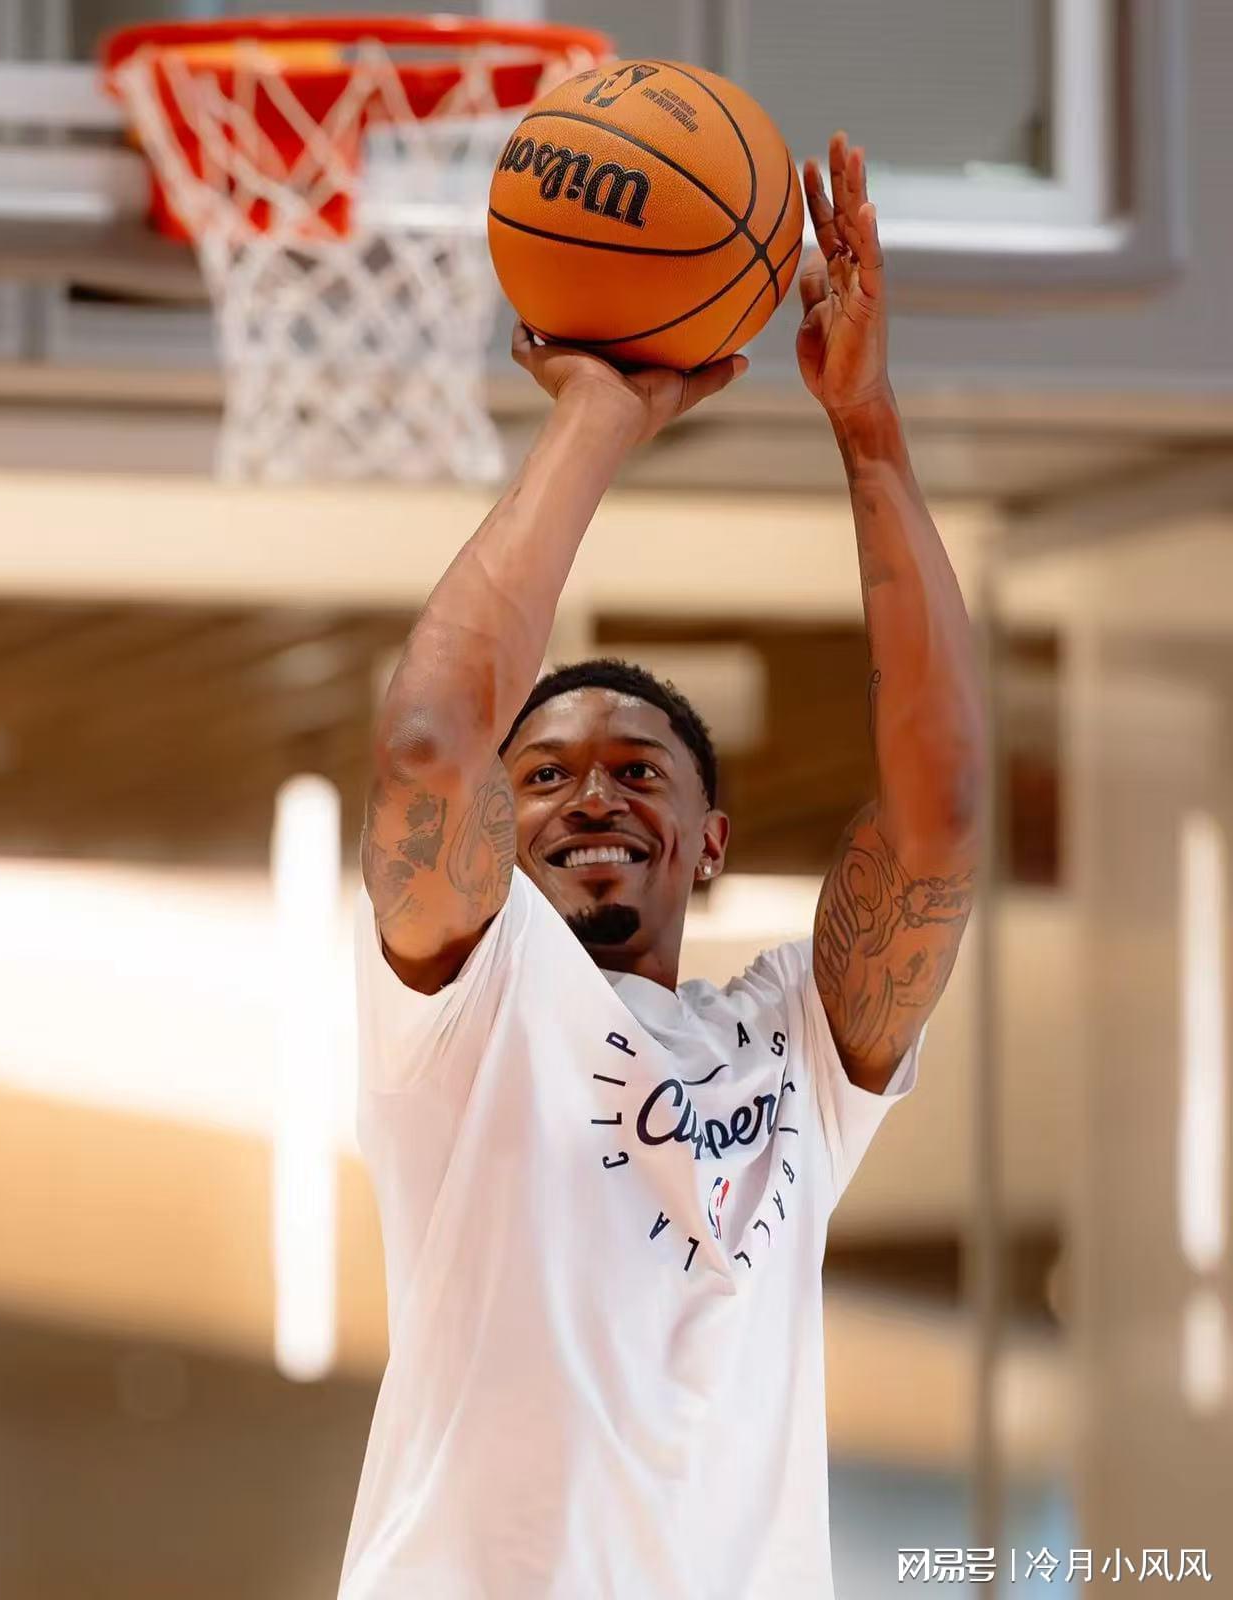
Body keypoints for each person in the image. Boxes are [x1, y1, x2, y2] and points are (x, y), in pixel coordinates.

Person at [340, 134, 984, 1600]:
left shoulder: (795, 1043)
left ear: (709, 841)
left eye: (639, 771)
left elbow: (940, 812)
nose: (591, 794)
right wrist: (598, 417)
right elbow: (431, 744)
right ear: (503, 832)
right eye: (544, 774)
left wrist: (869, 427)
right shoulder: (469, 1005)